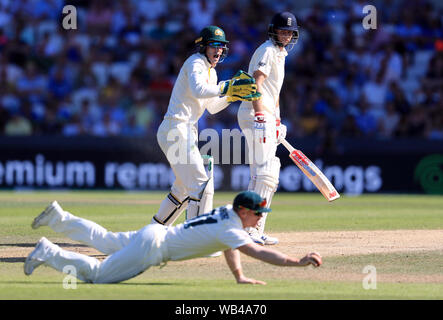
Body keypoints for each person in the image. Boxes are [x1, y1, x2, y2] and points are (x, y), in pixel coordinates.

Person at [24, 191, 322, 284]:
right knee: (99, 276)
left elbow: (229, 247)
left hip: (155, 233)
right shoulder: (232, 229)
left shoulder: (226, 216)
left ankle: (58, 217)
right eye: (258, 213)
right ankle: (48, 252)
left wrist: (239, 276)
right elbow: (260, 252)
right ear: (243, 211)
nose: (260, 218)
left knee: (105, 238)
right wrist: (299, 262)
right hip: (153, 247)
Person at [151, 25, 260, 227]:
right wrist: (229, 86)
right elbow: (199, 90)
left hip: (183, 131)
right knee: (201, 185)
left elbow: (212, 107)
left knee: (183, 189)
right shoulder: (195, 62)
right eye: (214, 45)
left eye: (221, 46)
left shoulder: (212, 73)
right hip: (176, 128)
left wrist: (232, 95)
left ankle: (153, 231)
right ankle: (196, 236)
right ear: (203, 47)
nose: (218, 50)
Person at [237, 12, 299, 245]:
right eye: (283, 31)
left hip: (265, 114)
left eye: (290, 32)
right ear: (274, 31)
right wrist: (262, 115)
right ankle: (251, 230)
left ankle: (250, 228)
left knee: (260, 173)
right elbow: (257, 84)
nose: (286, 35)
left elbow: (274, 91)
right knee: (266, 173)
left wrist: (278, 119)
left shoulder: (279, 53)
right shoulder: (267, 50)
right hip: (255, 113)